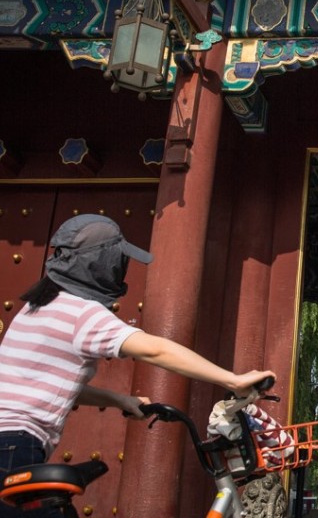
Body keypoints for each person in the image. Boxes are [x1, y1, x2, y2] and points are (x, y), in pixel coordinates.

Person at [0, 214, 275, 518]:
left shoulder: (35, 308)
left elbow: (55, 387)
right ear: (103, 264)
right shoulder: (82, 312)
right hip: (14, 446)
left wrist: (120, 400)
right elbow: (155, 350)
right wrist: (232, 380)